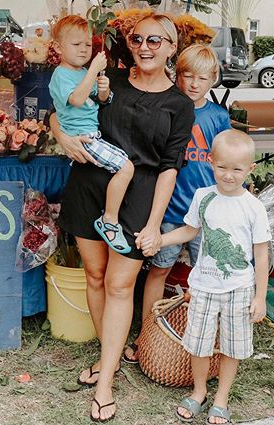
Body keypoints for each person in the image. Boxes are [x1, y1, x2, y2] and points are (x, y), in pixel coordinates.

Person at [49, 13, 195, 422]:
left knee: (118, 284)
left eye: (155, 40)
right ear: (128, 43)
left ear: (171, 47)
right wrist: (60, 135)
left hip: (138, 196)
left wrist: (153, 223)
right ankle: (106, 357)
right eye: (137, 39)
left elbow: (170, 168)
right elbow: (61, 110)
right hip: (89, 184)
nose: (145, 47)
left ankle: (105, 382)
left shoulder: (178, 105)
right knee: (94, 277)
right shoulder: (106, 78)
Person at [140, 130, 270, 424]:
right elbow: (190, 231)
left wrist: (259, 296)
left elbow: (261, 254)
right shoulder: (203, 197)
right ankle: (199, 391)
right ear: (211, 162)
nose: (228, 175)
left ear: (250, 169)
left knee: (231, 346)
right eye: (222, 167)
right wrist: (161, 240)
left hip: (239, 289)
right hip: (203, 287)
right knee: (198, 343)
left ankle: (221, 397)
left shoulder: (254, 207)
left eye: (237, 169)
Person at [123, 44, 233, 365]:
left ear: (213, 79)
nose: (194, 84)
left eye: (202, 78)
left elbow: (225, 162)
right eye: (187, 76)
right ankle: (148, 334)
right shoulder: (168, 108)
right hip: (171, 211)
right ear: (177, 75)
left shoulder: (218, 116)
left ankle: (205, 339)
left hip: (207, 214)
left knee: (206, 276)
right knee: (159, 270)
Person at [49, 15, 135, 254]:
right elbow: (76, 100)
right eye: (76, 45)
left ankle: (109, 216)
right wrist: (94, 71)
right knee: (126, 168)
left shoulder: (82, 72)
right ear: (58, 47)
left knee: (123, 166)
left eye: (88, 44)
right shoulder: (61, 75)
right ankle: (109, 220)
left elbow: (99, 100)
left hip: (92, 134)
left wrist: (104, 90)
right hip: (83, 138)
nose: (84, 49)